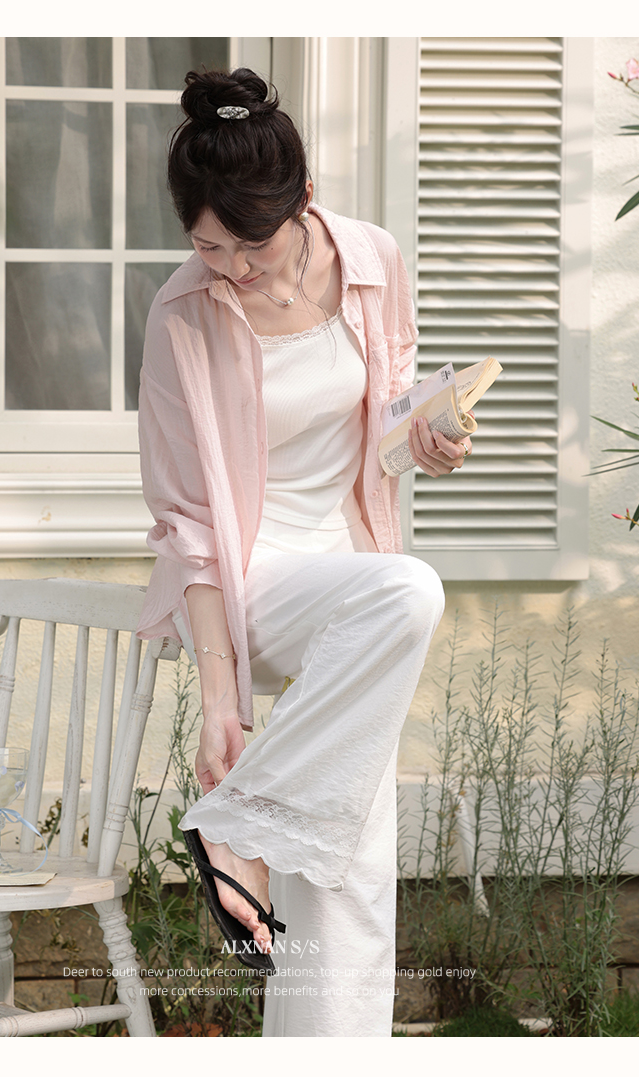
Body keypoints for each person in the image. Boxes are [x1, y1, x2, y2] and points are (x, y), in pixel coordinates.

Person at [136, 67, 473, 1037]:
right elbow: (187, 519)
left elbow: (383, 421)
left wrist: (425, 441)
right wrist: (221, 700)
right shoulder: (182, 314)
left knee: (350, 847)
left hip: (349, 568)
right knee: (408, 592)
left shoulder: (371, 260)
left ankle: (319, 1029)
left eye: (253, 243)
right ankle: (240, 822)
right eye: (209, 245)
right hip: (247, 582)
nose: (232, 266)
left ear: (305, 201)